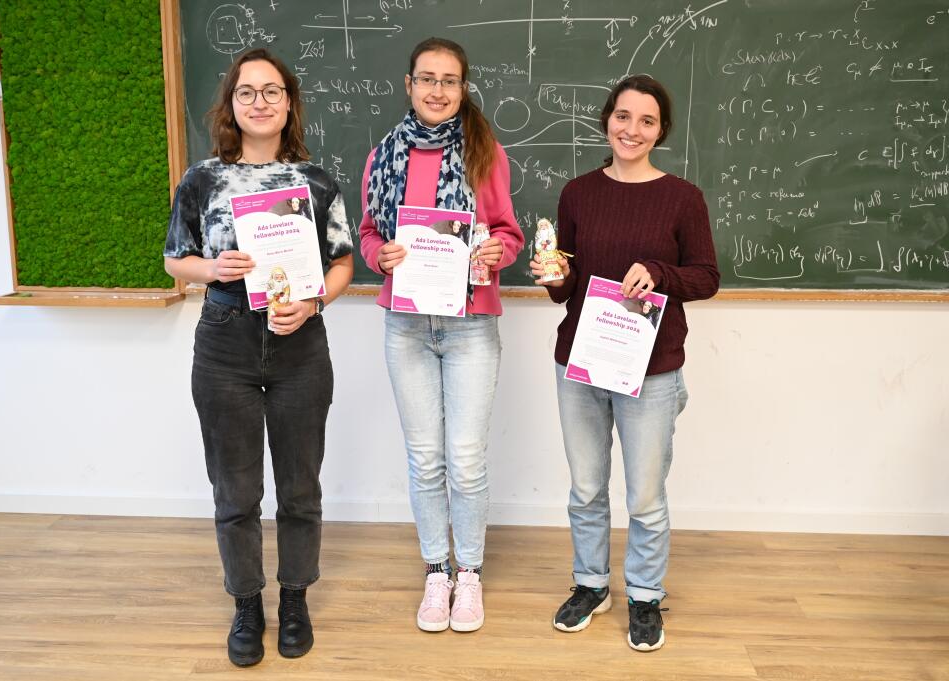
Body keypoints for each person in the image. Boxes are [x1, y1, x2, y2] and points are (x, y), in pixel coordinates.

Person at [163, 47, 354, 667]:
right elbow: (174, 260)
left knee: (300, 487)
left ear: (289, 102)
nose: (260, 102)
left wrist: (314, 302)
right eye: (247, 92)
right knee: (235, 490)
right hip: (225, 342)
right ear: (232, 104)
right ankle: (247, 603)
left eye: (272, 91)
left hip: (301, 342)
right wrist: (213, 268)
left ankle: (294, 598)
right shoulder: (201, 179)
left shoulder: (317, 181)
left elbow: (343, 262)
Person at [530, 74, 719, 651]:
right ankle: (591, 584)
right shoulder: (578, 193)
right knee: (586, 488)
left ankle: (644, 592)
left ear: (661, 132)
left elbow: (707, 277)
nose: (631, 130)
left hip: (652, 370)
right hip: (581, 362)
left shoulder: (683, 198)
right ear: (607, 120)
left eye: (646, 120)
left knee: (644, 497)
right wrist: (554, 277)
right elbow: (566, 288)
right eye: (622, 116)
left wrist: (659, 272)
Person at [358, 37, 524, 633]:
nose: (437, 90)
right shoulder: (383, 155)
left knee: (467, 459)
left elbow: (509, 233)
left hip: (470, 325)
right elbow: (369, 232)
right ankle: (436, 571)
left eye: (448, 80)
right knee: (426, 458)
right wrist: (380, 256)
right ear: (409, 85)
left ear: (463, 88)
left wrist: (496, 248)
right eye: (426, 79)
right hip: (406, 325)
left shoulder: (485, 153)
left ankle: (469, 573)